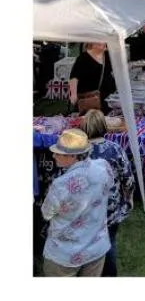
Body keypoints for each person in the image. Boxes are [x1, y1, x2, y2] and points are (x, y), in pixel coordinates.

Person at [38, 129, 112, 277]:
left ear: (73, 156)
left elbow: (46, 213)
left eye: (58, 153)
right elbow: (108, 187)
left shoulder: (61, 184)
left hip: (65, 254)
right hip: (96, 247)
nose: (53, 155)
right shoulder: (103, 166)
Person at [80, 112, 134, 277]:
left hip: (85, 211)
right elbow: (128, 179)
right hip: (110, 210)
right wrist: (129, 199)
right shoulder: (115, 149)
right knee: (109, 242)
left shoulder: (79, 154)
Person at [67, 40, 117, 115]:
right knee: (92, 121)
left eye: (103, 40)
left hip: (107, 98)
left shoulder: (107, 55)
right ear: (91, 43)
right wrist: (73, 94)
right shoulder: (83, 58)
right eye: (98, 41)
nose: (102, 43)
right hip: (90, 99)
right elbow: (74, 76)